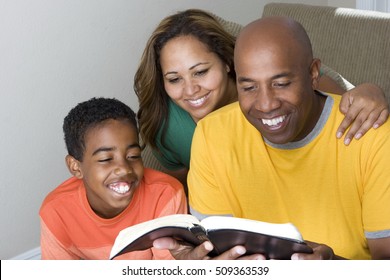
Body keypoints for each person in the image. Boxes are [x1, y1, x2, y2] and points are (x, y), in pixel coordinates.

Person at [153, 16, 390, 260]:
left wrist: (333, 266)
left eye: (281, 83)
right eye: (250, 87)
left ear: (313, 73)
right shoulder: (209, 135)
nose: (266, 104)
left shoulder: (370, 132)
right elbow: (219, 251)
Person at [134, 9, 389, 191]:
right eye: (174, 79)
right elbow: (181, 188)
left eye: (200, 72)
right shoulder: (164, 125)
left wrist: (371, 91)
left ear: (227, 62)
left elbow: (346, 110)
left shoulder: (294, 83)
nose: (191, 90)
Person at [39, 97, 187, 260]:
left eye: (133, 156)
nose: (124, 168)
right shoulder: (56, 212)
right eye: (105, 159)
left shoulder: (165, 195)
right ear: (75, 167)